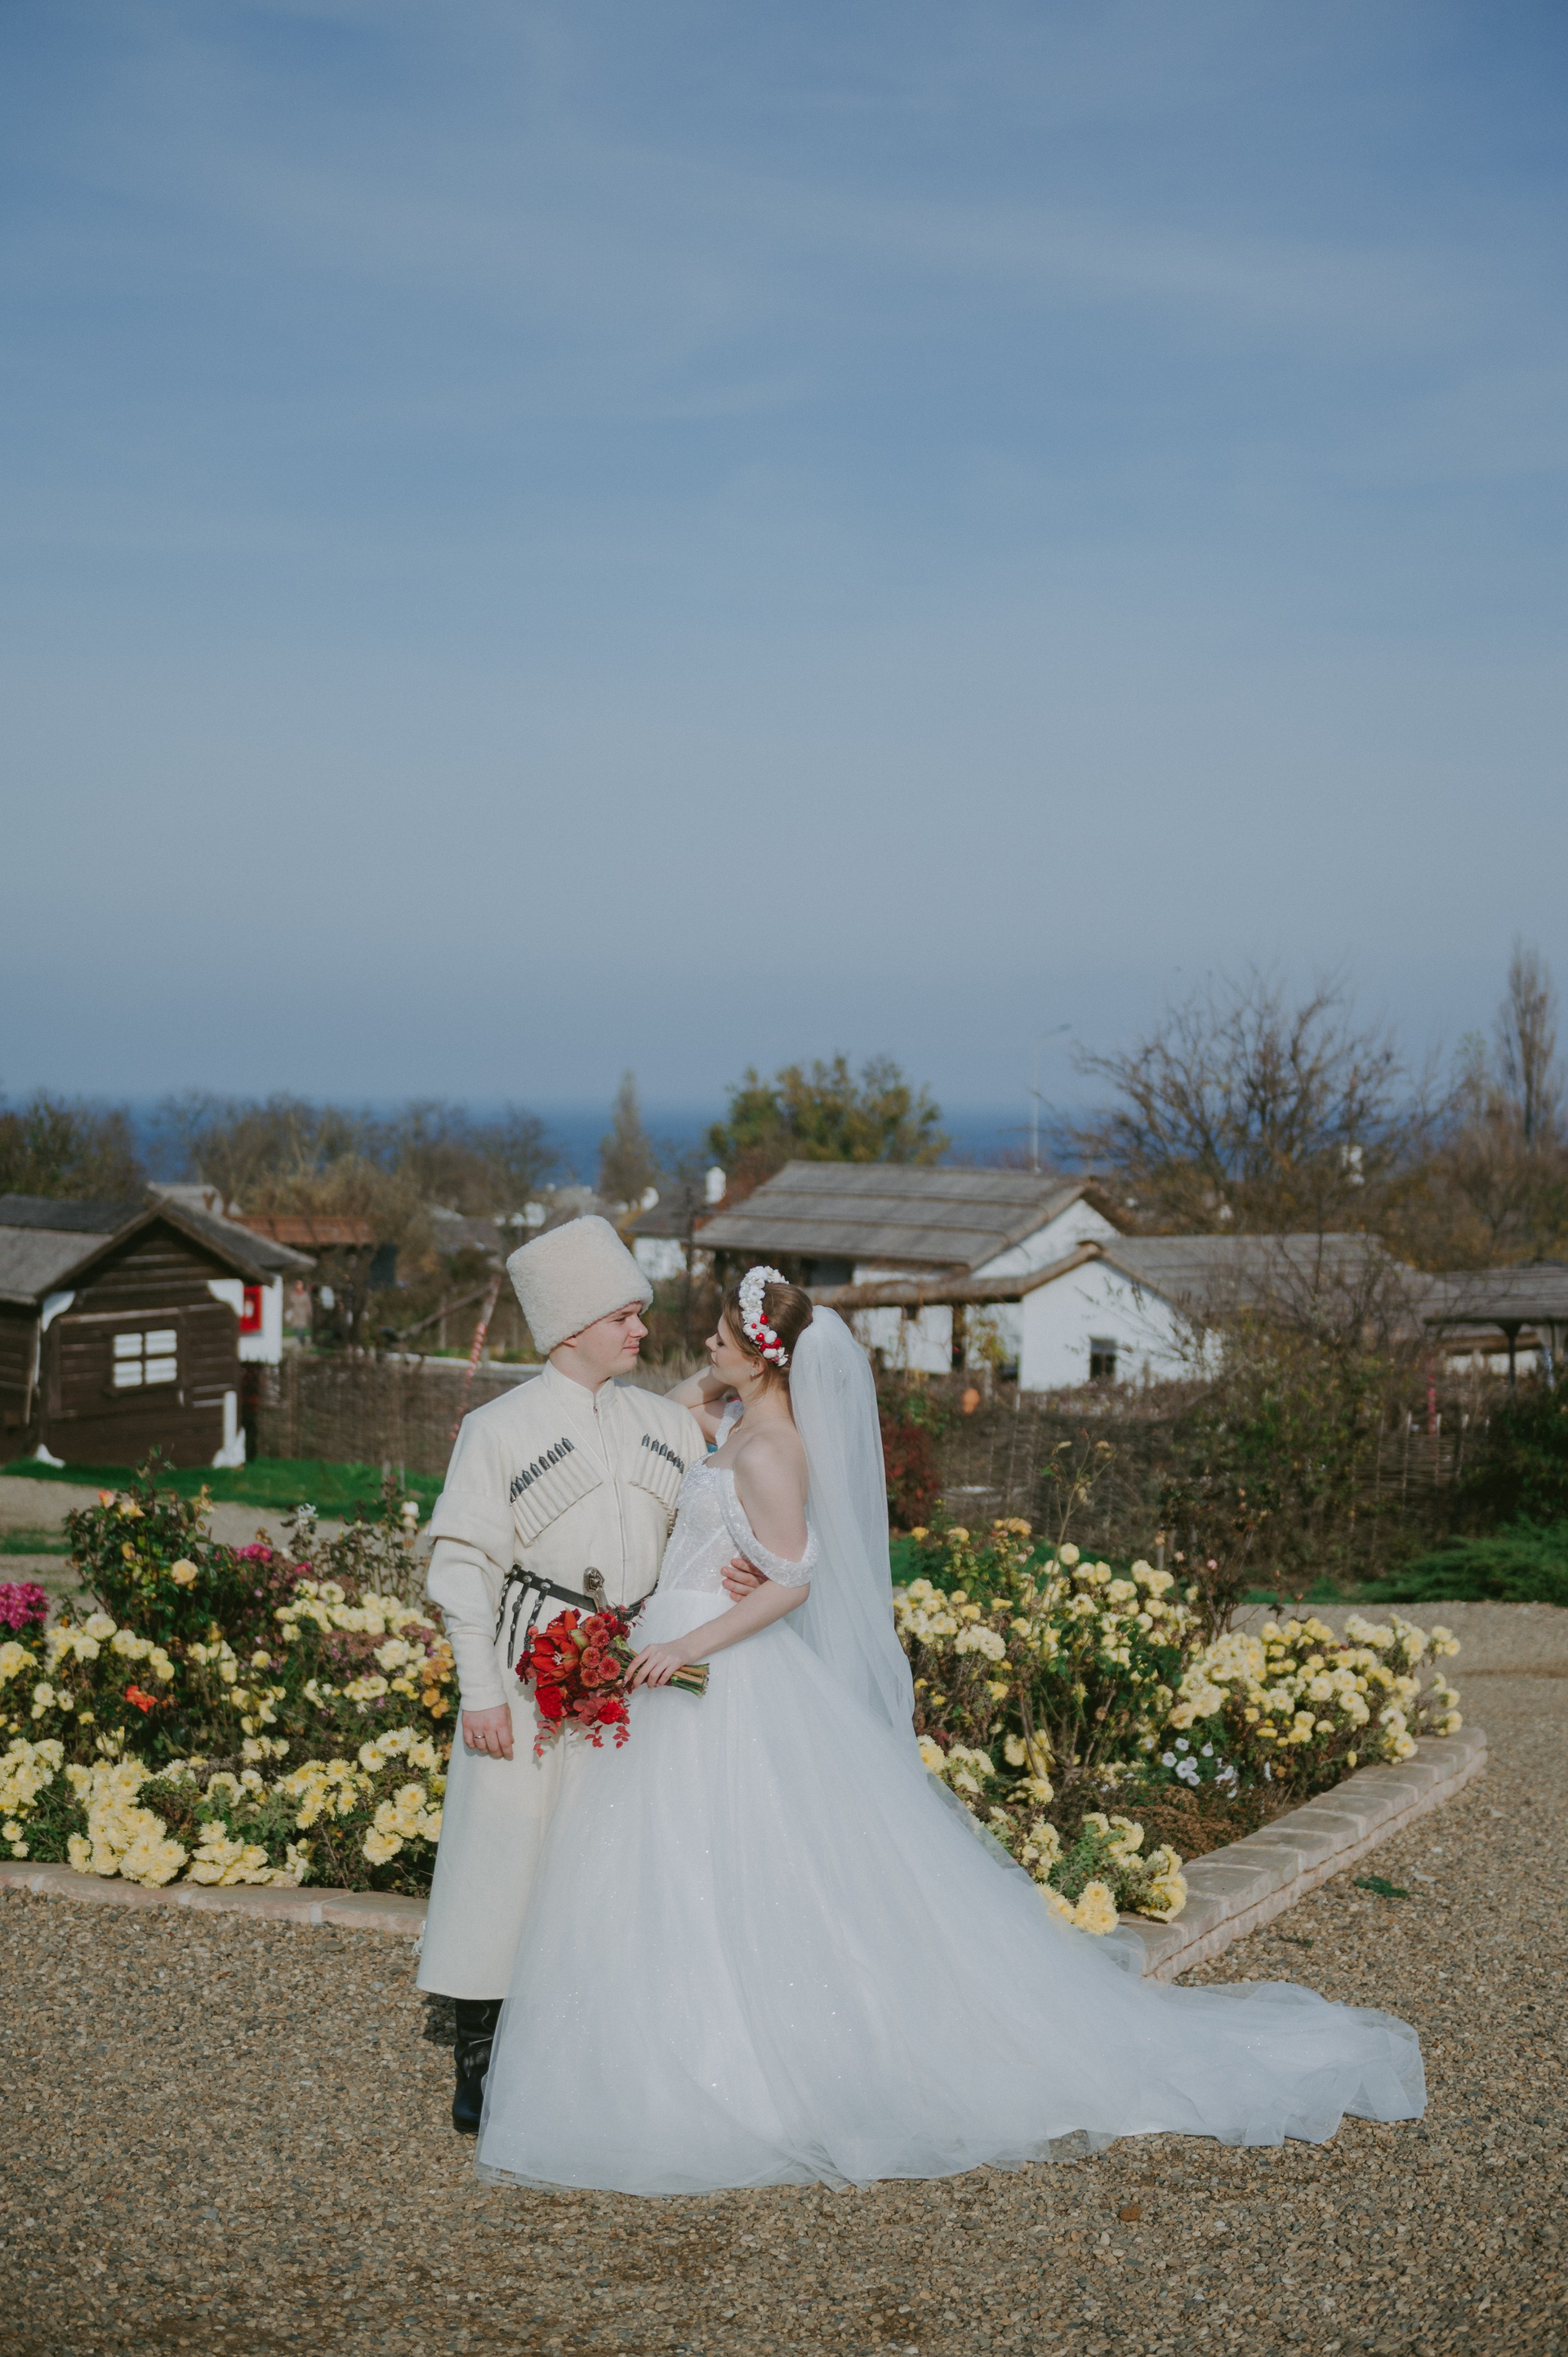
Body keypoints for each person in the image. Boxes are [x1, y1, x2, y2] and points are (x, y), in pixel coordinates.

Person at [474, 1268, 1425, 2194]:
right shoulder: (732, 1420)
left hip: (710, 1665)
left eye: (721, 1338)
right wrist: (733, 1376)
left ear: (763, 1360)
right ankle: (658, 2052)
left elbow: (793, 1580)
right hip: (679, 1661)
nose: (703, 1348)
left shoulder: (769, 1450)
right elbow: (689, 1406)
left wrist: (687, 1640)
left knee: (729, 1858)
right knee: (670, 1867)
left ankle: (741, 2069)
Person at [416, 1215, 760, 2131]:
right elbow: (462, 1569)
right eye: (623, 1316)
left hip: (635, 1674)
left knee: (613, 1859)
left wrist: (745, 1567)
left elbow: (720, 1504)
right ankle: (481, 2058)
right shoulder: (497, 1429)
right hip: (527, 1673)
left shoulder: (662, 1423)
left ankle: (591, 2043)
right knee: (503, 1855)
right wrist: (481, 1694)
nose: (641, 1330)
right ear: (572, 1328)